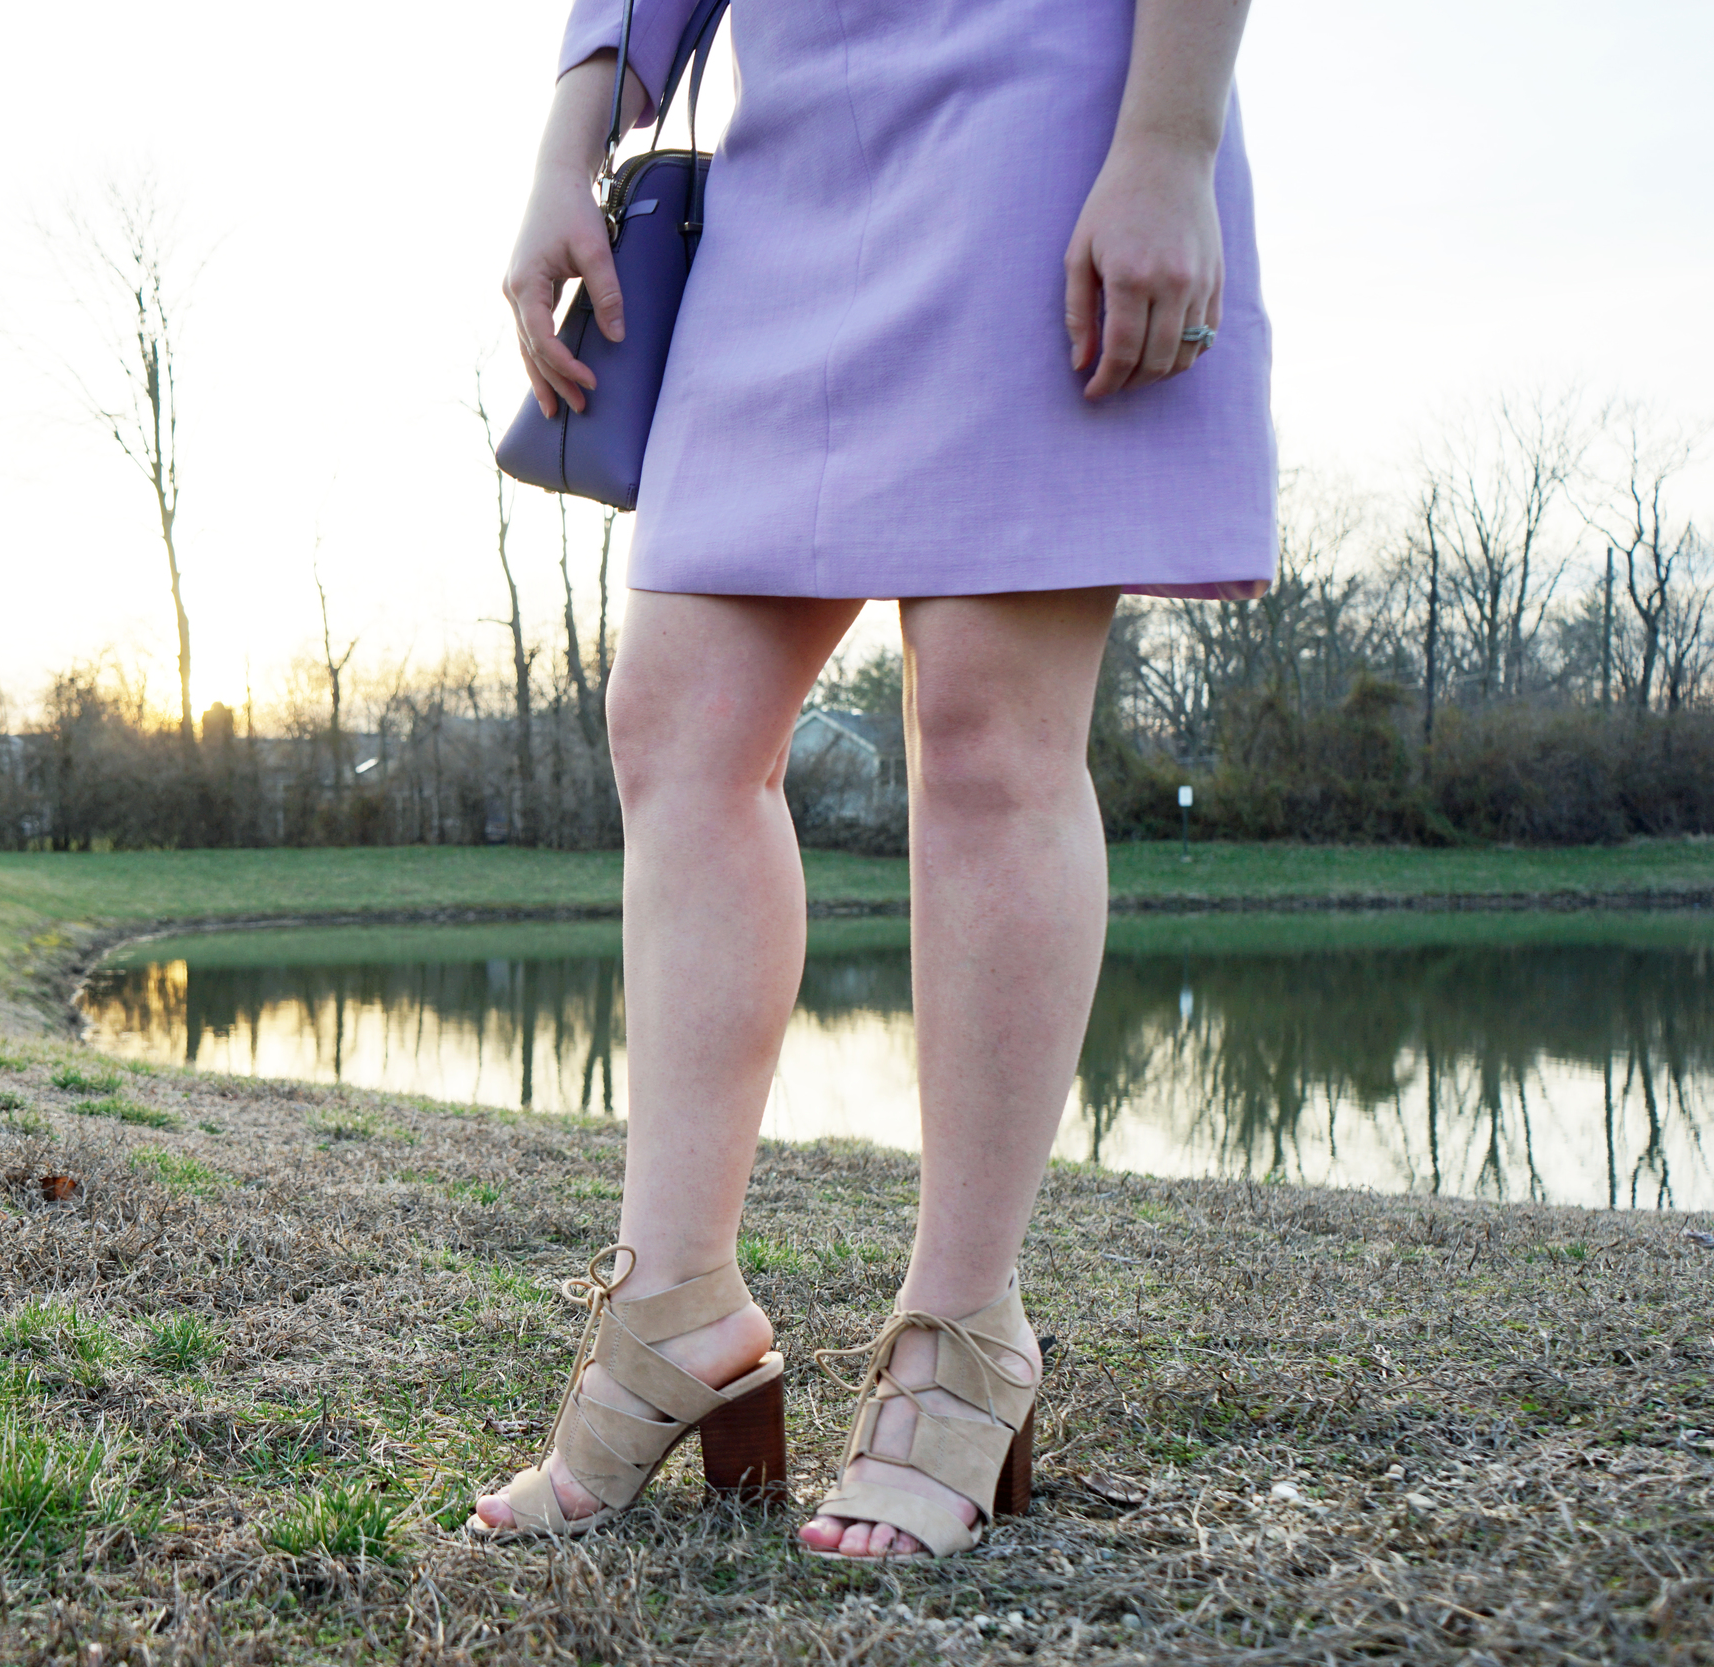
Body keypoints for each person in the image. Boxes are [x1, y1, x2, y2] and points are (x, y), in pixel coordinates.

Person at [469, 0, 1272, 1560]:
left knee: (985, 732)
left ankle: (966, 1336)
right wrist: (569, 143)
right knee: (677, 723)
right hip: (789, 162)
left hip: (1046, 117)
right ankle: (673, 1311)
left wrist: (1169, 137)